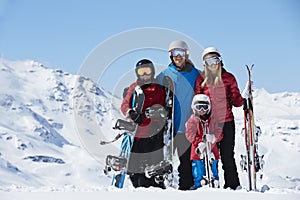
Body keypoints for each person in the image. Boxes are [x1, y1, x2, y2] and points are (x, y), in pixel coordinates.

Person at [194, 47, 244, 190]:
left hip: (226, 122)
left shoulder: (229, 78)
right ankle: (210, 184)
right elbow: (197, 99)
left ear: (220, 61)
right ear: (205, 63)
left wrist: (242, 101)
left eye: (215, 60)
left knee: (227, 156)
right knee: (210, 155)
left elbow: (237, 101)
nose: (213, 64)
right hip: (209, 124)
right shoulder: (201, 79)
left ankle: (233, 186)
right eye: (209, 61)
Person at [157, 40, 200, 190]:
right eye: (174, 53)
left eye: (181, 53)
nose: (178, 56)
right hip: (168, 128)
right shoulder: (164, 75)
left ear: (186, 54)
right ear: (170, 56)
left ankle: (186, 191)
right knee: (164, 162)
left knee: (185, 163)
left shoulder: (195, 74)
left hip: (185, 128)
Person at [121, 59, 166, 189]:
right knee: (135, 171)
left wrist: (158, 116)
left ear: (152, 72)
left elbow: (162, 108)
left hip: (153, 134)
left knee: (152, 171)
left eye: (148, 71)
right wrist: (131, 113)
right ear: (137, 73)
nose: (145, 74)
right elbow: (124, 105)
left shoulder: (158, 89)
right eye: (142, 71)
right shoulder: (134, 87)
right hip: (137, 135)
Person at [185, 94, 220, 189]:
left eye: (204, 107)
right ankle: (199, 189)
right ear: (194, 108)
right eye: (199, 107)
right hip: (198, 153)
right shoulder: (192, 121)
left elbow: (219, 132)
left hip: (212, 152)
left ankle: (215, 187)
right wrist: (199, 142)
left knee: (214, 171)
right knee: (199, 173)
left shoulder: (213, 120)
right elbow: (189, 134)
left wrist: (213, 137)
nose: (202, 110)